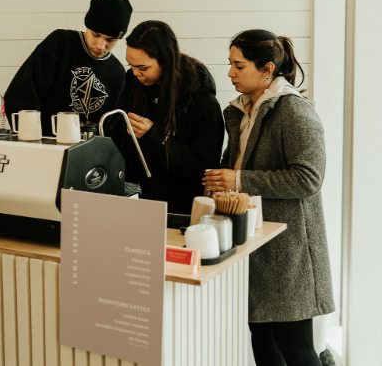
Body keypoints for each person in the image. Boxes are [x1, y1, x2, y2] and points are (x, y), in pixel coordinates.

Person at [203, 29, 335, 366]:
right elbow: (239, 162)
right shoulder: (241, 110)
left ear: (267, 69)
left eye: (238, 66)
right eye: (230, 65)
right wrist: (221, 179)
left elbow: (309, 178)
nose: (230, 73)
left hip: (289, 251)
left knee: (296, 349)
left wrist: (239, 179)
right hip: (254, 244)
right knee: (263, 343)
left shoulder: (295, 112)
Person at [115, 21, 224, 214]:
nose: (135, 72)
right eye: (131, 65)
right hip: (133, 203)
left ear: (165, 61)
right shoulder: (132, 84)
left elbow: (203, 169)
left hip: (178, 211)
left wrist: (153, 136)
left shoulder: (201, 100)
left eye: (143, 67)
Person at [5, 0, 132, 136]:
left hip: (88, 154)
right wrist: (33, 141)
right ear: (87, 27)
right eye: (96, 35)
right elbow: (20, 95)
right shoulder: (60, 44)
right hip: (42, 146)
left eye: (110, 40)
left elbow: (112, 131)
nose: (100, 46)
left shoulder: (117, 73)